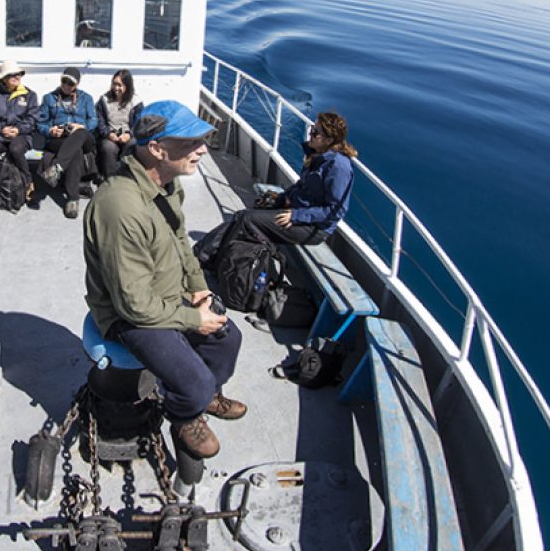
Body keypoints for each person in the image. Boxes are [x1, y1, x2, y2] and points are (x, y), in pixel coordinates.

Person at [84, 100, 246, 460]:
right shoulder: (120, 207)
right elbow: (133, 305)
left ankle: (203, 399)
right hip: (127, 316)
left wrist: (198, 287)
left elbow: (181, 243)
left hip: (167, 296)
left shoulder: (167, 186)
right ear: (157, 149)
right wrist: (193, 320)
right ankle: (185, 414)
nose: (202, 149)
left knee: (228, 340)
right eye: (190, 142)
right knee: (195, 382)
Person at [202, 112, 357, 262]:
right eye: (312, 129)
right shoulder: (317, 155)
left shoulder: (339, 167)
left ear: (329, 139)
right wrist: (283, 198)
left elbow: (335, 211)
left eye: (315, 132)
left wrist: (296, 216)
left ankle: (205, 256)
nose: (310, 134)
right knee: (242, 215)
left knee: (247, 219)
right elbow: (303, 186)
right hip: (297, 211)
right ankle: (204, 254)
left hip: (312, 227)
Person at [36, 67, 99, 219]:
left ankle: (56, 168)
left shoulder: (86, 98)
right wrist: (50, 130)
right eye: (64, 81)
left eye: (70, 83)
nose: (66, 85)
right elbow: (40, 123)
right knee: (74, 151)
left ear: (76, 85)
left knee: (81, 133)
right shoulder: (49, 98)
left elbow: (94, 120)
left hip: (84, 138)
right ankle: (72, 199)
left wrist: (81, 126)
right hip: (59, 139)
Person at [0, 60, 39, 192]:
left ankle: (28, 182)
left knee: (16, 149)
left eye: (19, 74)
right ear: (4, 78)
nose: (17, 77)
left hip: (21, 134)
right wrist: (0, 129)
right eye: (12, 75)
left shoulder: (29, 95)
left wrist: (18, 129)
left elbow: (33, 119)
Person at [95, 69, 144, 179]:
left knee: (133, 144)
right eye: (114, 84)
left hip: (128, 135)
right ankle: (111, 179)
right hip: (111, 135)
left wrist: (129, 134)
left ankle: (128, 178)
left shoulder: (136, 101)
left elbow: (139, 123)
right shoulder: (104, 100)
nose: (116, 88)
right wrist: (108, 133)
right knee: (108, 147)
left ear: (127, 86)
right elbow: (100, 120)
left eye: (119, 85)